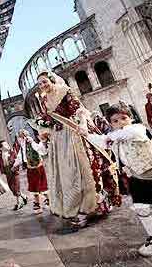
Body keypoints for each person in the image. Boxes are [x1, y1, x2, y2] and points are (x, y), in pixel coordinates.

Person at [88, 104, 152, 257]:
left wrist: (105, 137)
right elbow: (103, 142)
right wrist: (86, 134)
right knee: (141, 208)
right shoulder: (116, 137)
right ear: (110, 124)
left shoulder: (137, 129)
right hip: (137, 179)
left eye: (124, 118)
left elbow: (113, 137)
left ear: (131, 118)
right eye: (115, 121)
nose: (121, 123)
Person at [34, 71, 121, 227]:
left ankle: (92, 207)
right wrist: (43, 130)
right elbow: (47, 117)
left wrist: (81, 124)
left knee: (81, 170)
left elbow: (78, 109)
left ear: (52, 80)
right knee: (66, 174)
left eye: (45, 81)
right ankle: (76, 207)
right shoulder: (44, 99)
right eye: (40, 83)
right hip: (58, 139)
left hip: (73, 134)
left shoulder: (65, 91)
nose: (43, 85)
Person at [13, 130, 48, 212]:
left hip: (38, 167)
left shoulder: (32, 143)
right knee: (34, 186)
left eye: (22, 137)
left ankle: (45, 201)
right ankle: (39, 203)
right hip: (30, 169)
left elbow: (41, 150)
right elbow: (20, 156)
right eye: (20, 137)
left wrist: (41, 142)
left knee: (41, 186)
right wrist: (15, 165)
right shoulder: (22, 146)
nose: (21, 139)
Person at [0, 140, 28, 210]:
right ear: (1, 148)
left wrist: (15, 168)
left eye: (7, 144)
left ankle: (18, 203)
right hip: (8, 174)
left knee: (16, 187)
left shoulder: (12, 153)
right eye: (5, 144)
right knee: (12, 188)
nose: (7, 145)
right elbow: (0, 164)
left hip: (14, 172)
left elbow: (17, 160)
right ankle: (24, 197)